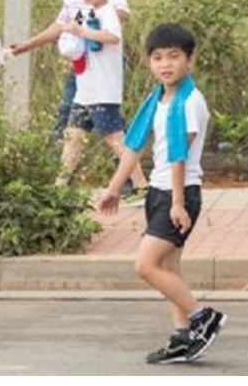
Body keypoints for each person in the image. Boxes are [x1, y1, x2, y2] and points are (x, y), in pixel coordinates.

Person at [95, 22, 225, 365]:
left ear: (190, 60)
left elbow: (179, 154)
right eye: (157, 57)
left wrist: (179, 203)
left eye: (174, 56)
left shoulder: (190, 101)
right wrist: (112, 189)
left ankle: (203, 317)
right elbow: (134, 146)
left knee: (145, 265)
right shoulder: (158, 99)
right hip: (160, 192)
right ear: (149, 62)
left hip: (179, 194)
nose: (165, 64)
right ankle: (182, 336)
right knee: (168, 267)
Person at [8, 0, 136, 152]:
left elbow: (121, 13)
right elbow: (62, 23)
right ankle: (62, 183)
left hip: (101, 64)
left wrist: (86, 26)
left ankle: (133, 182)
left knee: (108, 129)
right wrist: (28, 45)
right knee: (72, 126)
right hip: (81, 63)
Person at [56, 0, 148, 197]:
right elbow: (70, 36)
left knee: (114, 139)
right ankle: (58, 188)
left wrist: (81, 32)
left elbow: (112, 37)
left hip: (103, 91)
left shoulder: (108, 12)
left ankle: (142, 186)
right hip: (84, 90)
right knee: (72, 136)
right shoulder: (83, 13)